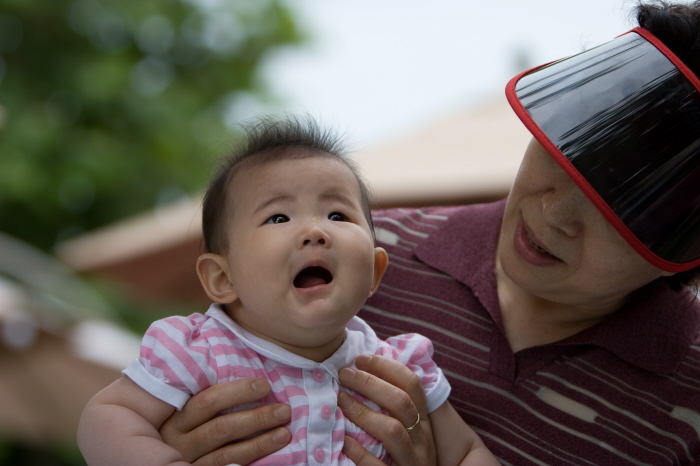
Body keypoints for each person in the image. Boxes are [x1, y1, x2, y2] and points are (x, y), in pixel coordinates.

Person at [153, 1, 700, 465]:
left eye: (625, 207)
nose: (555, 213)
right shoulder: (351, 256)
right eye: (570, 148)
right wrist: (166, 445)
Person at [77, 116, 499, 466]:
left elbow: (468, 452)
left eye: (337, 213)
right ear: (222, 279)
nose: (314, 231)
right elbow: (106, 417)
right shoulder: (199, 352)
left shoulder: (399, 368)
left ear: (374, 271)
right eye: (278, 217)